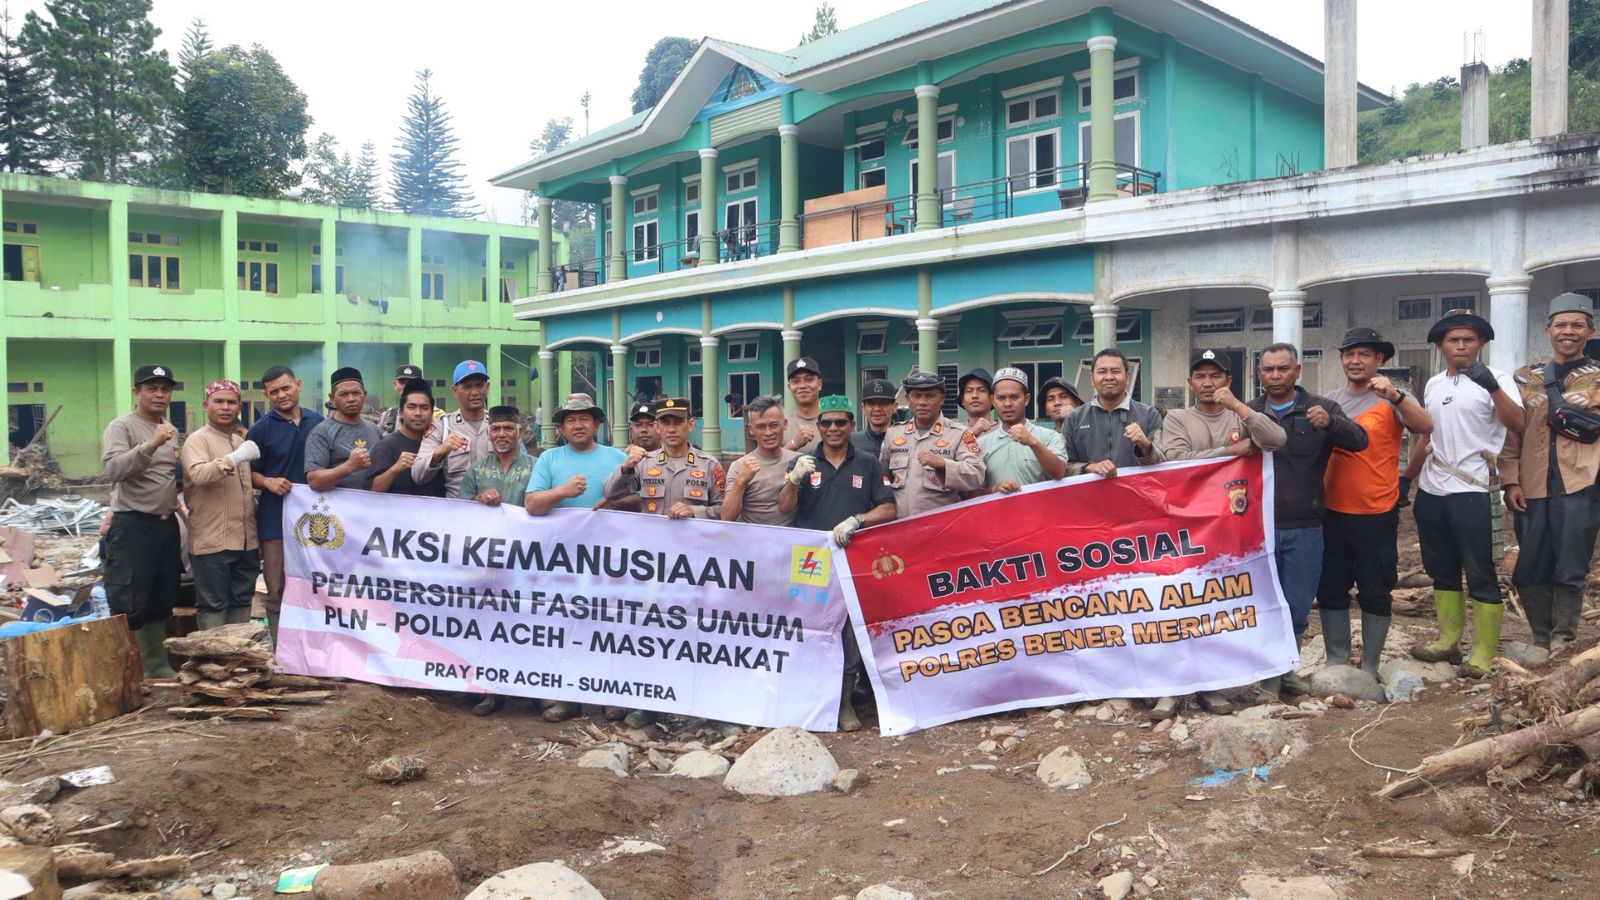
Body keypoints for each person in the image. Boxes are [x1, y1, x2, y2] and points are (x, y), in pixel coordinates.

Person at [1154, 350, 1287, 717]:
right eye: (1201, 376)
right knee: (1178, 605)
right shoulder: (1178, 417)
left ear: (1228, 380)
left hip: (1230, 530)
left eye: (1216, 375)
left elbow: (1276, 439)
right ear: (1190, 383)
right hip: (1184, 528)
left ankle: (1212, 687)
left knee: (1217, 608)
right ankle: (1172, 688)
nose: (1208, 382)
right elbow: (1176, 460)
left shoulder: (1243, 414)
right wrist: (1231, 450)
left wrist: (1242, 410)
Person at [1404, 310, 1525, 677]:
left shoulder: (1498, 379)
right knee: (1440, 568)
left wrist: (1490, 385)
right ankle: (1448, 640)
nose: (1461, 345)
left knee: (1480, 571)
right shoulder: (1434, 384)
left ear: (1481, 344)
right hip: (1432, 488)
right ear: (1441, 345)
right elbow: (1427, 435)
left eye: (1469, 339)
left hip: (1473, 490)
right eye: (1453, 340)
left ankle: (1484, 652)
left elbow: (1518, 423)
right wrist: (1407, 478)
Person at [1246, 343, 1367, 700]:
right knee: (1265, 603)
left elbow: (1360, 441)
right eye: (1269, 370)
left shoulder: (1322, 408)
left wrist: (1333, 424)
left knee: (1298, 604)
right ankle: (1268, 676)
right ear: (1259, 373)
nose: (1276, 376)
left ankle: (1287, 672)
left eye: (1283, 369)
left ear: (1297, 370)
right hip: (1258, 527)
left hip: (1306, 525)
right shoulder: (1247, 412)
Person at [1319, 328, 1433, 676]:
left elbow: (1426, 426)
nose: (1355, 361)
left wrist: (1397, 397)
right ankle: (1337, 660)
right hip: (1330, 511)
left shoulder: (1392, 398)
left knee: (1375, 589)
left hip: (1375, 513)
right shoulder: (1328, 401)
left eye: (1364, 354)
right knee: (1330, 588)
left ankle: (1370, 665)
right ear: (1341, 359)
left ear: (1379, 360)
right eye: (1349, 354)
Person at [779, 394, 897, 731]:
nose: (833, 429)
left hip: (851, 557)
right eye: (827, 423)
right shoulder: (803, 462)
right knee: (811, 627)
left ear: (851, 425)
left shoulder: (869, 463)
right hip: (810, 560)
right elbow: (785, 507)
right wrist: (793, 479)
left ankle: (844, 704)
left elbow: (888, 508)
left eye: (840, 422)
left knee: (847, 630)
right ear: (818, 427)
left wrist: (858, 520)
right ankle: (810, 699)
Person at [1502, 294, 1600, 660]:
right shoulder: (1526, 377)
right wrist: (1510, 479)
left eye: (1577, 325)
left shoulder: (1598, 376)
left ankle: (1563, 637)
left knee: (1572, 562)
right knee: (1530, 564)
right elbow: (1513, 431)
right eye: (1561, 324)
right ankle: (1539, 637)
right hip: (1532, 484)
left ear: (1590, 331)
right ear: (1548, 330)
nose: (1568, 331)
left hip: (1582, 483)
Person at [101, 363, 184, 678]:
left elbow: (171, 478)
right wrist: (150, 445)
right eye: (152, 388)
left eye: (165, 389)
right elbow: (113, 470)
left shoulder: (171, 430)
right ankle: (126, 671)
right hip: (133, 525)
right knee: (129, 597)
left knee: (161, 594)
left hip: (165, 525)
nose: (160, 394)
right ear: (137, 392)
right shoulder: (122, 426)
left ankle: (156, 666)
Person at [247, 365, 323, 647]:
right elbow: (250, 472)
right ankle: (282, 648)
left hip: (316, 520)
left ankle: (316, 646)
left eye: (285, 388)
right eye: (274, 392)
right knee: (277, 585)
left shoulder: (319, 422)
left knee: (314, 583)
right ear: (267, 395)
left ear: (298, 385)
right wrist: (267, 482)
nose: (281, 395)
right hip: (275, 518)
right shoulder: (260, 430)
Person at [179, 380, 261, 632]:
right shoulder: (197, 441)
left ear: (239, 407)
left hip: (246, 540)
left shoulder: (239, 442)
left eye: (231, 402)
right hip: (212, 541)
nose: (225, 407)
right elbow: (200, 476)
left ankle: (238, 661)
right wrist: (234, 459)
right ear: (206, 405)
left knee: (241, 601)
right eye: (219, 401)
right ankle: (212, 664)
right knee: (213, 605)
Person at [881, 371, 985, 518]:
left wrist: (943, 464)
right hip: (901, 529)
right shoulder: (893, 433)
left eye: (930, 395)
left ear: (942, 399)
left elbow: (976, 475)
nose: (922, 402)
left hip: (941, 529)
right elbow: (882, 479)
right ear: (907, 398)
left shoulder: (960, 434)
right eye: (916, 396)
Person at [604, 397, 726, 519]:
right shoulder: (644, 463)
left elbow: (725, 510)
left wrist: (694, 511)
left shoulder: (709, 465)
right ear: (657, 427)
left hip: (693, 537)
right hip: (655, 536)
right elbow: (611, 494)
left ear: (690, 424)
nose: (671, 429)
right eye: (665, 423)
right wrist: (626, 467)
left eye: (678, 422)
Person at [1061, 349, 1165, 478]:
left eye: (1115, 371)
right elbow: (1063, 466)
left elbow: (1163, 463)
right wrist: (1089, 467)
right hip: (1089, 496)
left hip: (1136, 495)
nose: (1109, 377)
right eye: (1102, 372)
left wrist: (1145, 446)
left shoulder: (1149, 415)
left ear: (1127, 377)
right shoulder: (1074, 418)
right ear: (1092, 379)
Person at [526, 395, 626, 515]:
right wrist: (562, 491)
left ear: (596, 425)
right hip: (562, 533)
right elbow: (531, 505)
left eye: (584, 419)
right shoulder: (548, 458)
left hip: (607, 533)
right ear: (562, 428)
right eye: (571, 420)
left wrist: (616, 503)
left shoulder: (618, 458)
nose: (578, 426)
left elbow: (640, 499)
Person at [977, 367, 1068, 493]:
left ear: (1026, 399)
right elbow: (970, 493)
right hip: (997, 512)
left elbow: (1059, 473)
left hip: (1040, 511)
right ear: (993, 400)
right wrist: (994, 490)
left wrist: (1033, 442)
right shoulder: (982, 444)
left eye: (1014, 397)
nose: (1007, 403)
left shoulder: (1050, 437)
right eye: (1001, 398)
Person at [413, 359, 494, 497]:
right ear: (455, 391)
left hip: (496, 511)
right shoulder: (442, 426)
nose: (475, 392)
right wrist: (440, 451)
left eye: (479, 385)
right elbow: (417, 474)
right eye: (467, 386)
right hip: (457, 512)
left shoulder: (501, 426)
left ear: (487, 387)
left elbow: (521, 468)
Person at [721, 395, 799, 525]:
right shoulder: (740, 466)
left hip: (790, 542)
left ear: (784, 424)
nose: (768, 432)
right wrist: (740, 482)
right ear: (751, 429)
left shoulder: (798, 462)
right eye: (761, 427)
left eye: (774, 425)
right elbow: (727, 517)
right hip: (753, 542)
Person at [305, 367, 382, 491]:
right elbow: (314, 481)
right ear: (332, 398)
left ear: (365, 395)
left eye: (356, 393)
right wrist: (349, 467)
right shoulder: (321, 432)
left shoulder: (374, 429)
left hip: (372, 507)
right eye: (343, 394)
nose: (351, 399)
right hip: (338, 508)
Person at [370, 379, 446, 497]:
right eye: (411, 407)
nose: (418, 413)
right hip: (398, 514)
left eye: (424, 408)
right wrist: (394, 469)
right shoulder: (387, 446)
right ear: (401, 412)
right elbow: (372, 490)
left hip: (434, 514)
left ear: (432, 412)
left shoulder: (441, 445)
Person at [460, 406, 537, 510]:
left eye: (508, 428)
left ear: (520, 432)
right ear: (488, 434)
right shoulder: (476, 470)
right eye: (495, 429)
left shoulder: (536, 467)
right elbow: (462, 509)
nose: (501, 434)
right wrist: (480, 498)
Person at [784, 357, 823, 452]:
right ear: (789, 387)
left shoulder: (835, 423)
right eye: (796, 381)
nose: (802, 386)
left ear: (819, 384)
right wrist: (794, 444)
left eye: (809, 380)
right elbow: (771, 463)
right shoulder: (782, 425)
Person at [851, 378, 898, 457]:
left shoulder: (906, 440)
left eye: (883, 403)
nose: (877, 409)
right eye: (871, 404)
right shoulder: (851, 442)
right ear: (863, 408)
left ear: (894, 406)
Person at [376, 364, 423, 437]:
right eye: (402, 382)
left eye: (412, 382)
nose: (407, 386)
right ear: (395, 385)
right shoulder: (388, 416)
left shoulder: (434, 416)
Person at [958, 368, 997, 437]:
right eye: (969, 391)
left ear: (992, 399)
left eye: (982, 390)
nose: (974, 396)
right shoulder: (954, 432)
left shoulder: (1004, 430)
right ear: (962, 400)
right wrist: (971, 434)